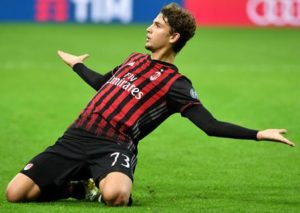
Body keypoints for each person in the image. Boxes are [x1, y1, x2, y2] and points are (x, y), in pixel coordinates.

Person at [6, 3, 294, 207]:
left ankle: (100, 182)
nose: (148, 28)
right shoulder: (133, 59)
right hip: (76, 136)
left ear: (173, 37)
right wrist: (78, 66)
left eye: (156, 25)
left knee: (116, 196)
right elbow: (103, 84)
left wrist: (259, 133)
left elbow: (210, 126)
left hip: (114, 146)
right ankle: (78, 188)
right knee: (15, 194)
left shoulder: (177, 85)